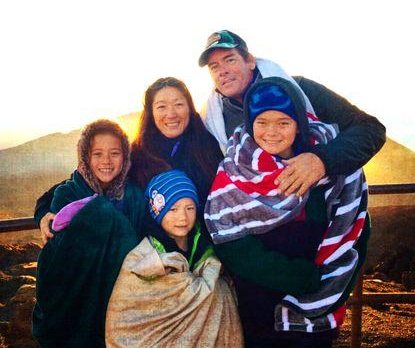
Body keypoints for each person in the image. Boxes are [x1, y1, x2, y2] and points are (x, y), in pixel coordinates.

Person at [204, 78, 370, 347]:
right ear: (250, 123)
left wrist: (322, 282)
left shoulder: (328, 168)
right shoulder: (235, 169)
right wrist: (294, 276)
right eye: (262, 122)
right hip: (259, 311)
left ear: (298, 124)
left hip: (315, 314)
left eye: (283, 122)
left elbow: (353, 229)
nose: (272, 132)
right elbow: (227, 238)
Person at [198, 29, 386, 198]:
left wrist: (322, 161)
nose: (222, 71)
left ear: (251, 62)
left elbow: (371, 129)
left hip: (323, 213)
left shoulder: (300, 91)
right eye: (214, 67)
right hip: (261, 226)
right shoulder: (213, 121)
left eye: (230, 60)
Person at [34, 77, 223, 242]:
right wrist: (43, 212)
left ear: (190, 108)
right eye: (161, 106)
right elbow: (81, 182)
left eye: (179, 104)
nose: (171, 113)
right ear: (151, 112)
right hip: (151, 253)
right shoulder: (138, 154)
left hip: (204, 246)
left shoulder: (207, 148)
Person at [32, 119, 146, 348]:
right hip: (79, 302)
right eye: (97, 154)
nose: (106, 161)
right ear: (85, 157)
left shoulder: (134, 196)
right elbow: (62, 259)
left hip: (123, 301)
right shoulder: (68, 193)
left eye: (115, 153)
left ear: (125, 157)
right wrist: (102, 214)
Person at [105, 170, 243, 347]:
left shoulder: (206, 247)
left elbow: (219, 291)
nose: (183, 218)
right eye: (172, 209)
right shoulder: (144, 253)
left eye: (189, 208)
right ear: (157, 212)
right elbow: (125, 313)